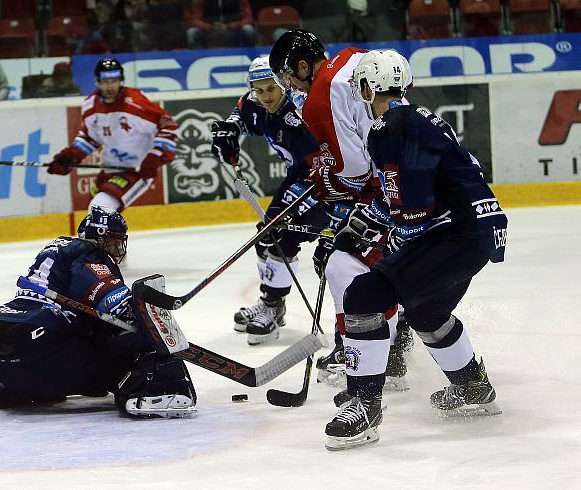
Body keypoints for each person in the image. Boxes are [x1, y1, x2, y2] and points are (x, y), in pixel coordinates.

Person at [323, 49, 505, 450]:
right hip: (476, 231)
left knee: (363, 294)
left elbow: (414, 208)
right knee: (428, 313)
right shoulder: (414, 119)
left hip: (456, 236)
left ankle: (364, 404)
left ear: (368, 88)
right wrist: (361, 225)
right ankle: (474, 389)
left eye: (359, 88)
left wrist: (387, 236)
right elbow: (403, 198)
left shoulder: (390, 129)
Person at [0, 206, 197, 418]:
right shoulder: (89, 254)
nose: (117, 249)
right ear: (99, 239)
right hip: (45, 349)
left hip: (9, 351)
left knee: (37, 381)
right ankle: (149, 391)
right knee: (133, 349)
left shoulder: (59, 250)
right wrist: (149, 323)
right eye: (113, 241)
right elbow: (112, 301)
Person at [268, 29, 411, 392]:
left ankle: (374, 350)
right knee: (367, 261)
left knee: (340, 261)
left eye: (288, 77)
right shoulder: (352, 56)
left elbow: (355, 170)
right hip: (413, 170)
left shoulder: (318, 98)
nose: (290, 87)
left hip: (393, 186)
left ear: (303, 66)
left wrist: (327, 183)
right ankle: (392, 337)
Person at [210, 55, 329, 345]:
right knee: (268, 234)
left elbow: (328, 164)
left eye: (270, 89)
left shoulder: (300, 115)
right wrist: (230, 132)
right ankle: (272, 303)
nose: (265, 97)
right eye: (258, 89)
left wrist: (302, 203)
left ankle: (273, 308)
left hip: (325, 182)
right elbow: (241, 114)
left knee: (279, 234)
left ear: (284, 87)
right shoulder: (254, 102)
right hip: (298, 175)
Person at [47, 58, 179, 212]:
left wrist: (155, 157)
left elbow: (169, 125)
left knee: (101, 208)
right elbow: (90, 137)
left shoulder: (136, 102)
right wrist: (70, 157)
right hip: (110, 169)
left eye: (114, 81)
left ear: (121, 80)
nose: (109, 86)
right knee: (94, 212)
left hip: (136, 170)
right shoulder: (90, 105)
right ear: (97, 82)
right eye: (105, 81)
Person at [186, 0, 256, 49]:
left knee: (248, 29)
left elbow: (248, 18)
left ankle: (249, 58)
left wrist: (232, 25)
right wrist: (210, 27)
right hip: (210, 31)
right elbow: (195, 20)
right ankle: (198, 57)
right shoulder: (202, 1)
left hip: (234, 30)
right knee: (192, 32)